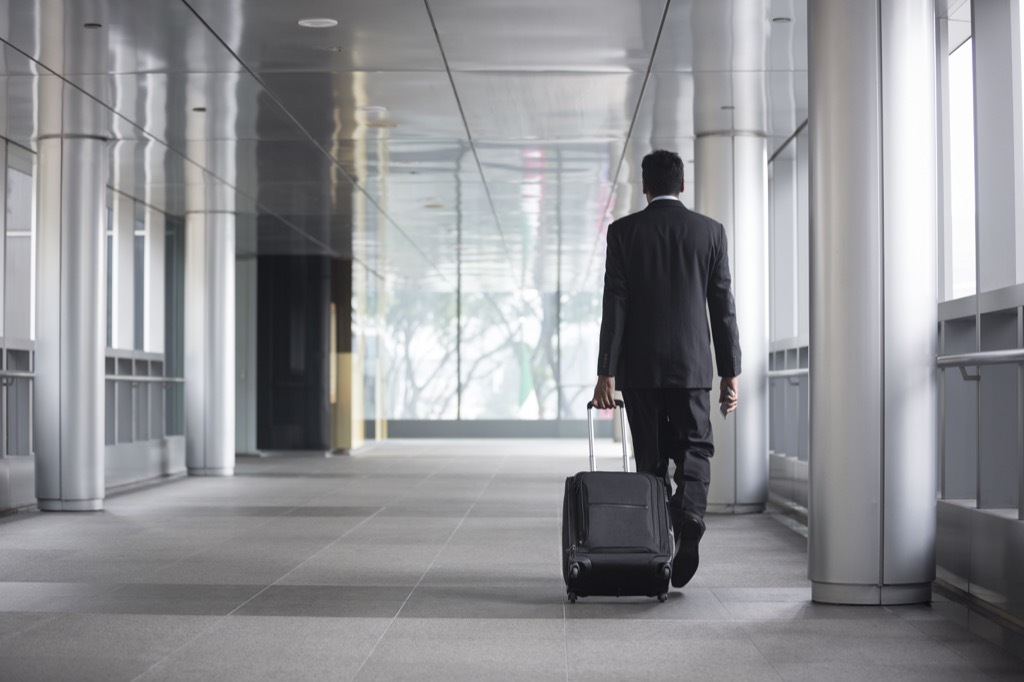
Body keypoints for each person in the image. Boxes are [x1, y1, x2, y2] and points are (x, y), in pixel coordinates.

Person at [591, 149, 741, 589]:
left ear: (645, 186)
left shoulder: (623, 233)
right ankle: (690, 514)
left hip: (640, 369)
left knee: (652, 460)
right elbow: (723, 307)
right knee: (696, 447)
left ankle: (659, 543)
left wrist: (607, 371)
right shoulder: (710, 233)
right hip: (694, 367)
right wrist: (729, 371)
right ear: (681, 185)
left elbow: (614, 305)